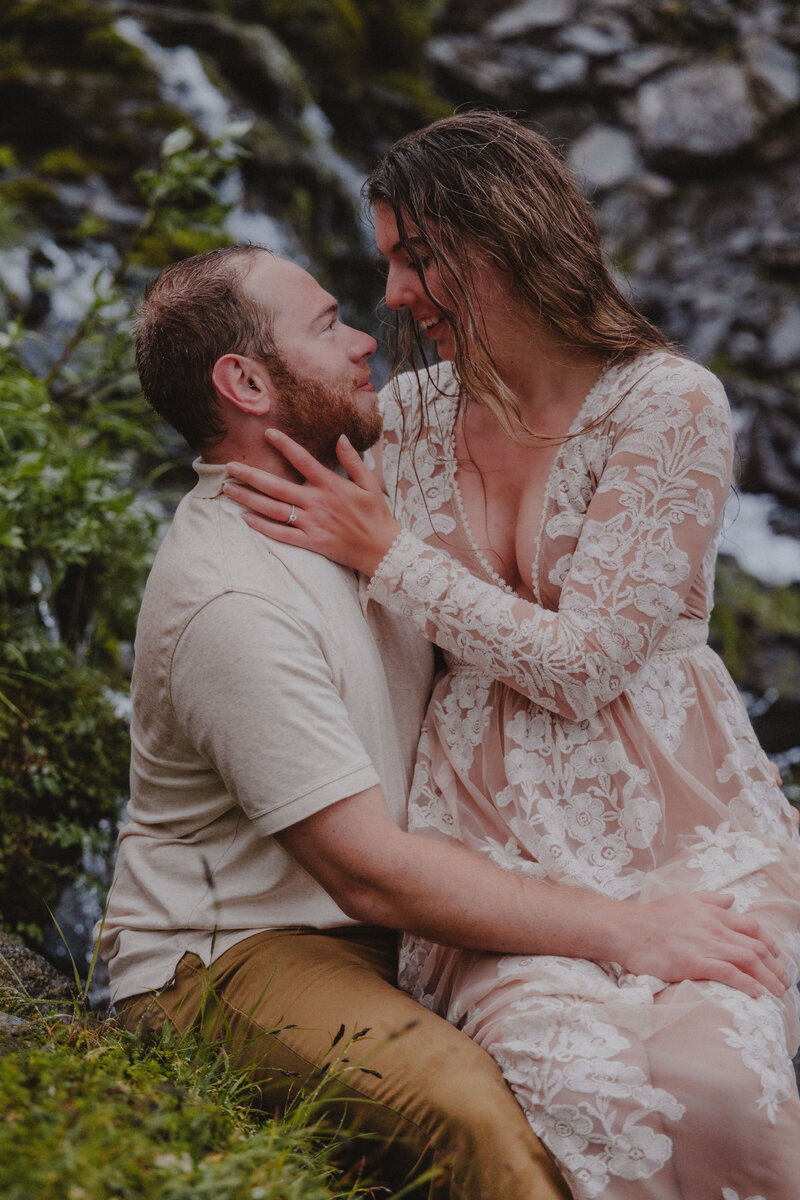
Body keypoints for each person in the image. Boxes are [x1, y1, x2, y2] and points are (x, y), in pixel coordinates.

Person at [224, 113, 800, 1200]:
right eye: (389, 259)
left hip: (677, 833)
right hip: (494, 852)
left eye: (416, 256)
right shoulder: (409, 414)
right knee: (577, 1082)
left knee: (717, 1077)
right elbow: (259, 478)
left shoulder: (668, 403)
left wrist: (387, 554)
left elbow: (583, 663)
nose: (392, 294)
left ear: (504, 239)